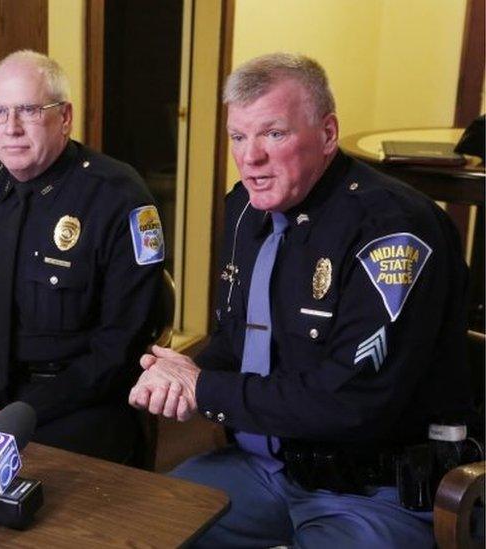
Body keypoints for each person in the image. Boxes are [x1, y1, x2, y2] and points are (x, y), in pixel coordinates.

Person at [129, 52, 475, 547]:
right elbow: (235, 340)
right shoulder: (247, 210)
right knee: (137, 527)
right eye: (238, 137)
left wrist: (204, 388)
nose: (251, 157)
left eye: (274, 133)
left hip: (371, 491)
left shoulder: (392, 229)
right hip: (264, 470)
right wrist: (174, 379)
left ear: (328, 133)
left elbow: (350, 404)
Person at [0, 50, 166, 464]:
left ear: (65, 117)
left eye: (29, 111)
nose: (11, 128)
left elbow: (121, 345)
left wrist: (13, 418)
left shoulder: (117, 197)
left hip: (75, 402)